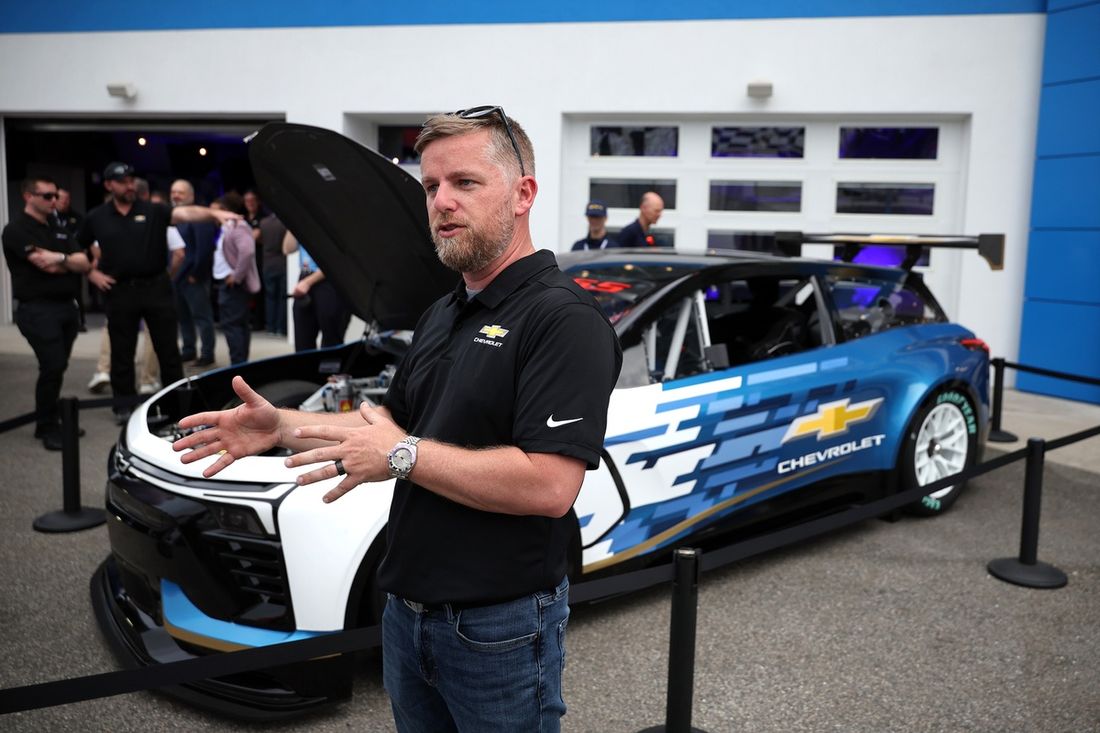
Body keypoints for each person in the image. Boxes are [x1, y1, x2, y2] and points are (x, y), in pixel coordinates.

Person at [171, 107, 622, 732]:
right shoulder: (443, 311)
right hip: (406, 614)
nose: (441, 202)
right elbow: (389, 426)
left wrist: (404, 455)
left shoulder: (563, 319)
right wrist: (281, 427)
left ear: (523, 194)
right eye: (431, 186)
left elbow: (549, 486)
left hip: (499, 627)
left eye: (464, 182)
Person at [79, 162, 238, 423]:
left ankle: (176, 405)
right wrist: (91, 273)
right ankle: (123, 406)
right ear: (109, 185)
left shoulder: (153, 210)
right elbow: (78, 246)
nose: (129, 185)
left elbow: (185, 213)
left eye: (131, 180)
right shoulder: (97, 217)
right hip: (120, 291)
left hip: (156, 288)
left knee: (168, 351)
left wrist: (214, 214)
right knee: (121, 351)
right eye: (122, 182)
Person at [2, 177, 91, 450]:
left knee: (58, 367)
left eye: (55, 195)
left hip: (66, 307)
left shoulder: (57, 226)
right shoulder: (16, 229)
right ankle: (46, 426)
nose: (54, 200)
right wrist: (66, 261)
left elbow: (84, 263)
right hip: (37, 309)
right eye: (47, 196)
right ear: (29, 196)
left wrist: (60, 258)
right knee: (52, 365)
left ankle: (53, 417)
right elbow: (44, 265)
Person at [170, 179, 218, 367]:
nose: (176, 195)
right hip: (177, 277)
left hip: (193, 277)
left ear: (190, 195)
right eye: (173, 192)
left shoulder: (198, 216)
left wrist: (196, 274)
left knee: (202, 316)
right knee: (183, 317)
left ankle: (207, 353)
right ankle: (188, 350)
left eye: (180, 192)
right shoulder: (173, 216)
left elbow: (205, 248)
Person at [210, 193, 260, 364]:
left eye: (215, 211)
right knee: (237, 324)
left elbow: (247, 251)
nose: (212, 215)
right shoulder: (228, 227)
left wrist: (236, 276)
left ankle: (238, 365)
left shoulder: (239, 227)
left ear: (225, 210)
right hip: (227, 282)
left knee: (234, 325)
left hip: (234, 285)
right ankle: (239, 364)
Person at [283, 232, 351, 351]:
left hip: (330, 282)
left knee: (331, 341)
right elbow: (287, 249)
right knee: (302, 340)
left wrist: (308, 282)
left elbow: (337, 261)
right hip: (305, 277)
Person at [258, 211, 288, 335]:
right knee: (282, 297)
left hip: (268, 264)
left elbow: (260, 239)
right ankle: (281, 327)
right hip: (281, 263)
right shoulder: (284, 224)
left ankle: (270, 326)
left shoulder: (263, 223)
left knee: (270, 297)